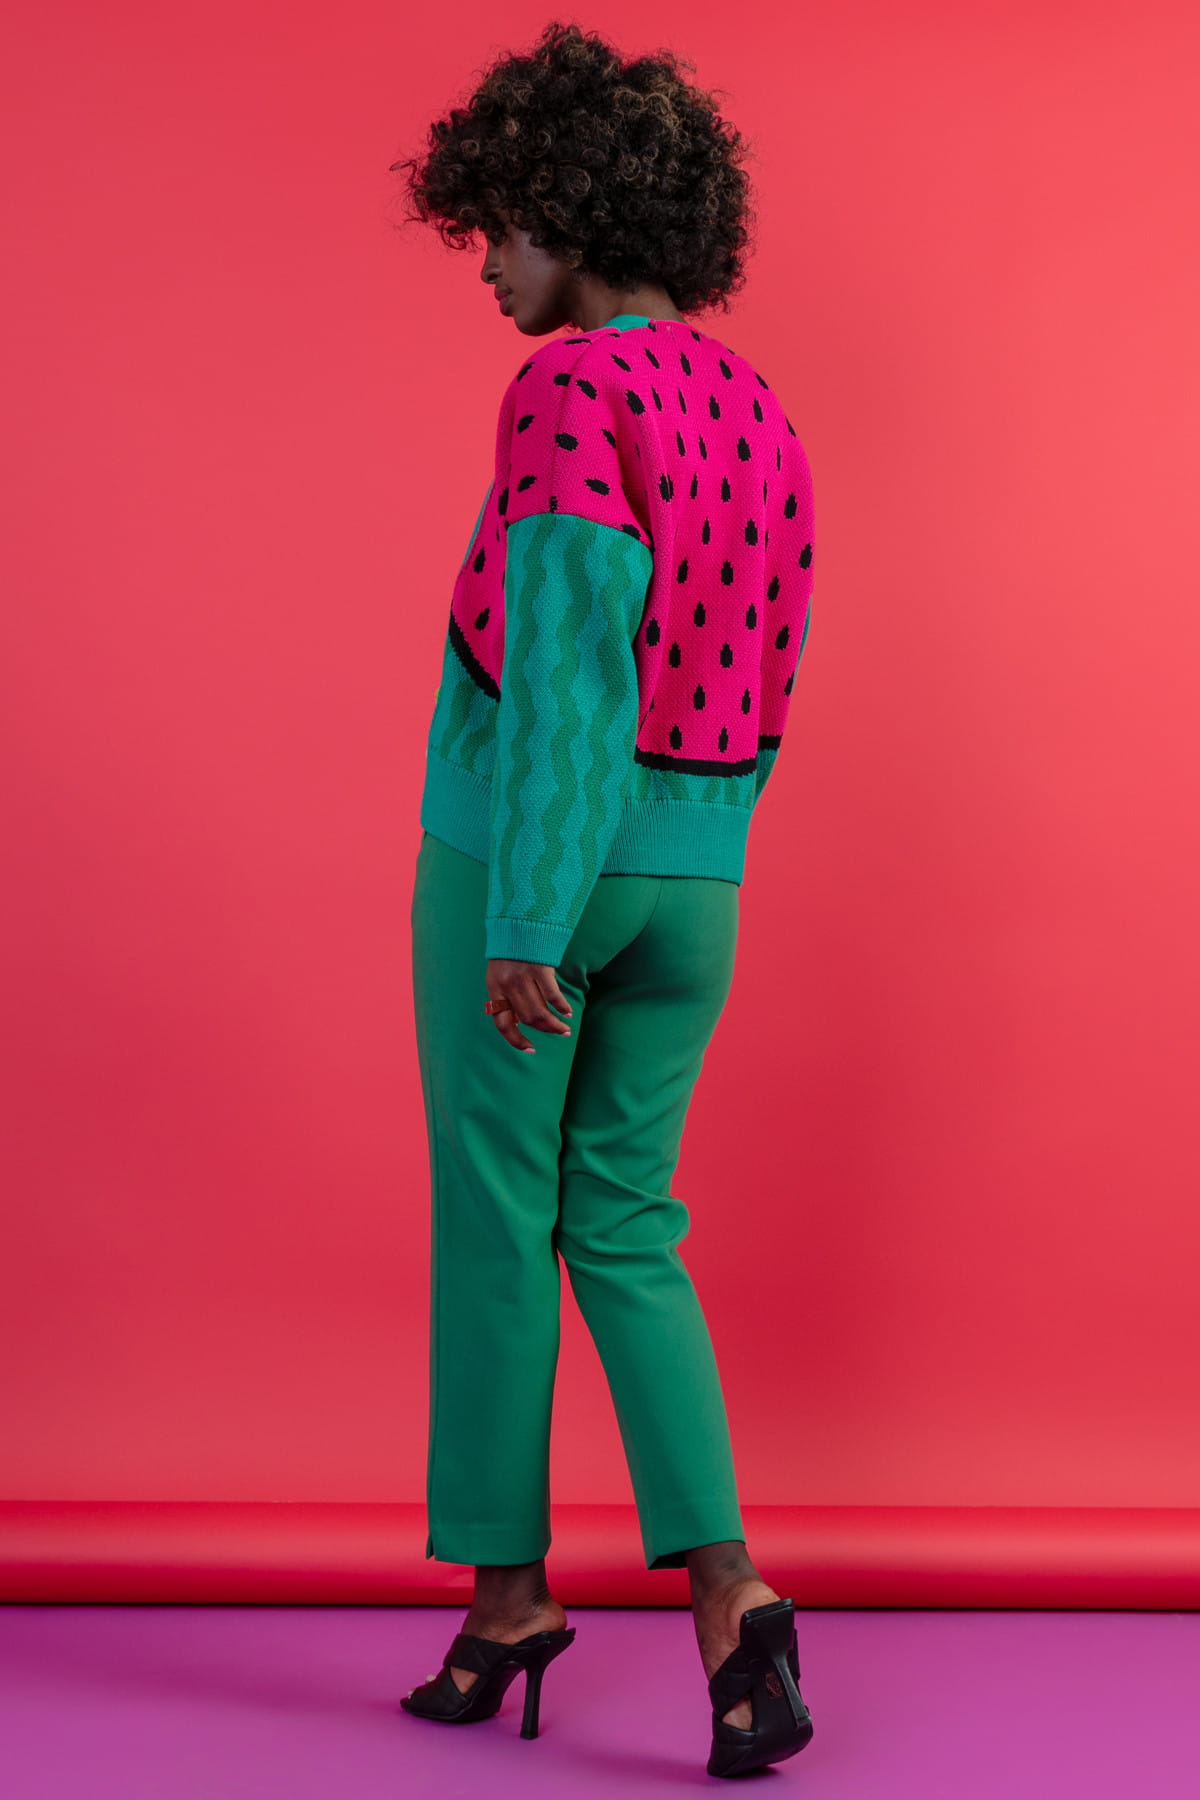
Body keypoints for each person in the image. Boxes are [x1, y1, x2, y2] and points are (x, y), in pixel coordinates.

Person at [388, 19, 815, 1778]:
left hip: (535, 866)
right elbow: (775, 659)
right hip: (700, 874)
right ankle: (733, 1600)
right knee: (627, 1226)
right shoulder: (760, 409)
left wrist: (525, 916)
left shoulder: (570, 391)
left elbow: (565, 660)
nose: (489, 263)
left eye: (501, 226)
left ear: (571, 211)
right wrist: (690, 848)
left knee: (500, 1214)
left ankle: (509, 1599)